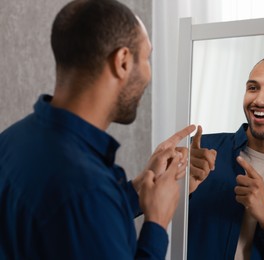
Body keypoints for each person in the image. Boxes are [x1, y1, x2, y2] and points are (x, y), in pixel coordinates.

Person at [0, 0, 195, 259]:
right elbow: (84, 207)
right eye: (147, 57)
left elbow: (78, 229)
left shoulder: (12, 141)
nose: (149, 73)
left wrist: (138, 187)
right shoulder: (86, 188)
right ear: (123, 61)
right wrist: (157, 223)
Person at [188, 55, 264, 259]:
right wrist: (176, 184)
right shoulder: (200, 151)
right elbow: (130, 211)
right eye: (253, 88)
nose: (260, 100)